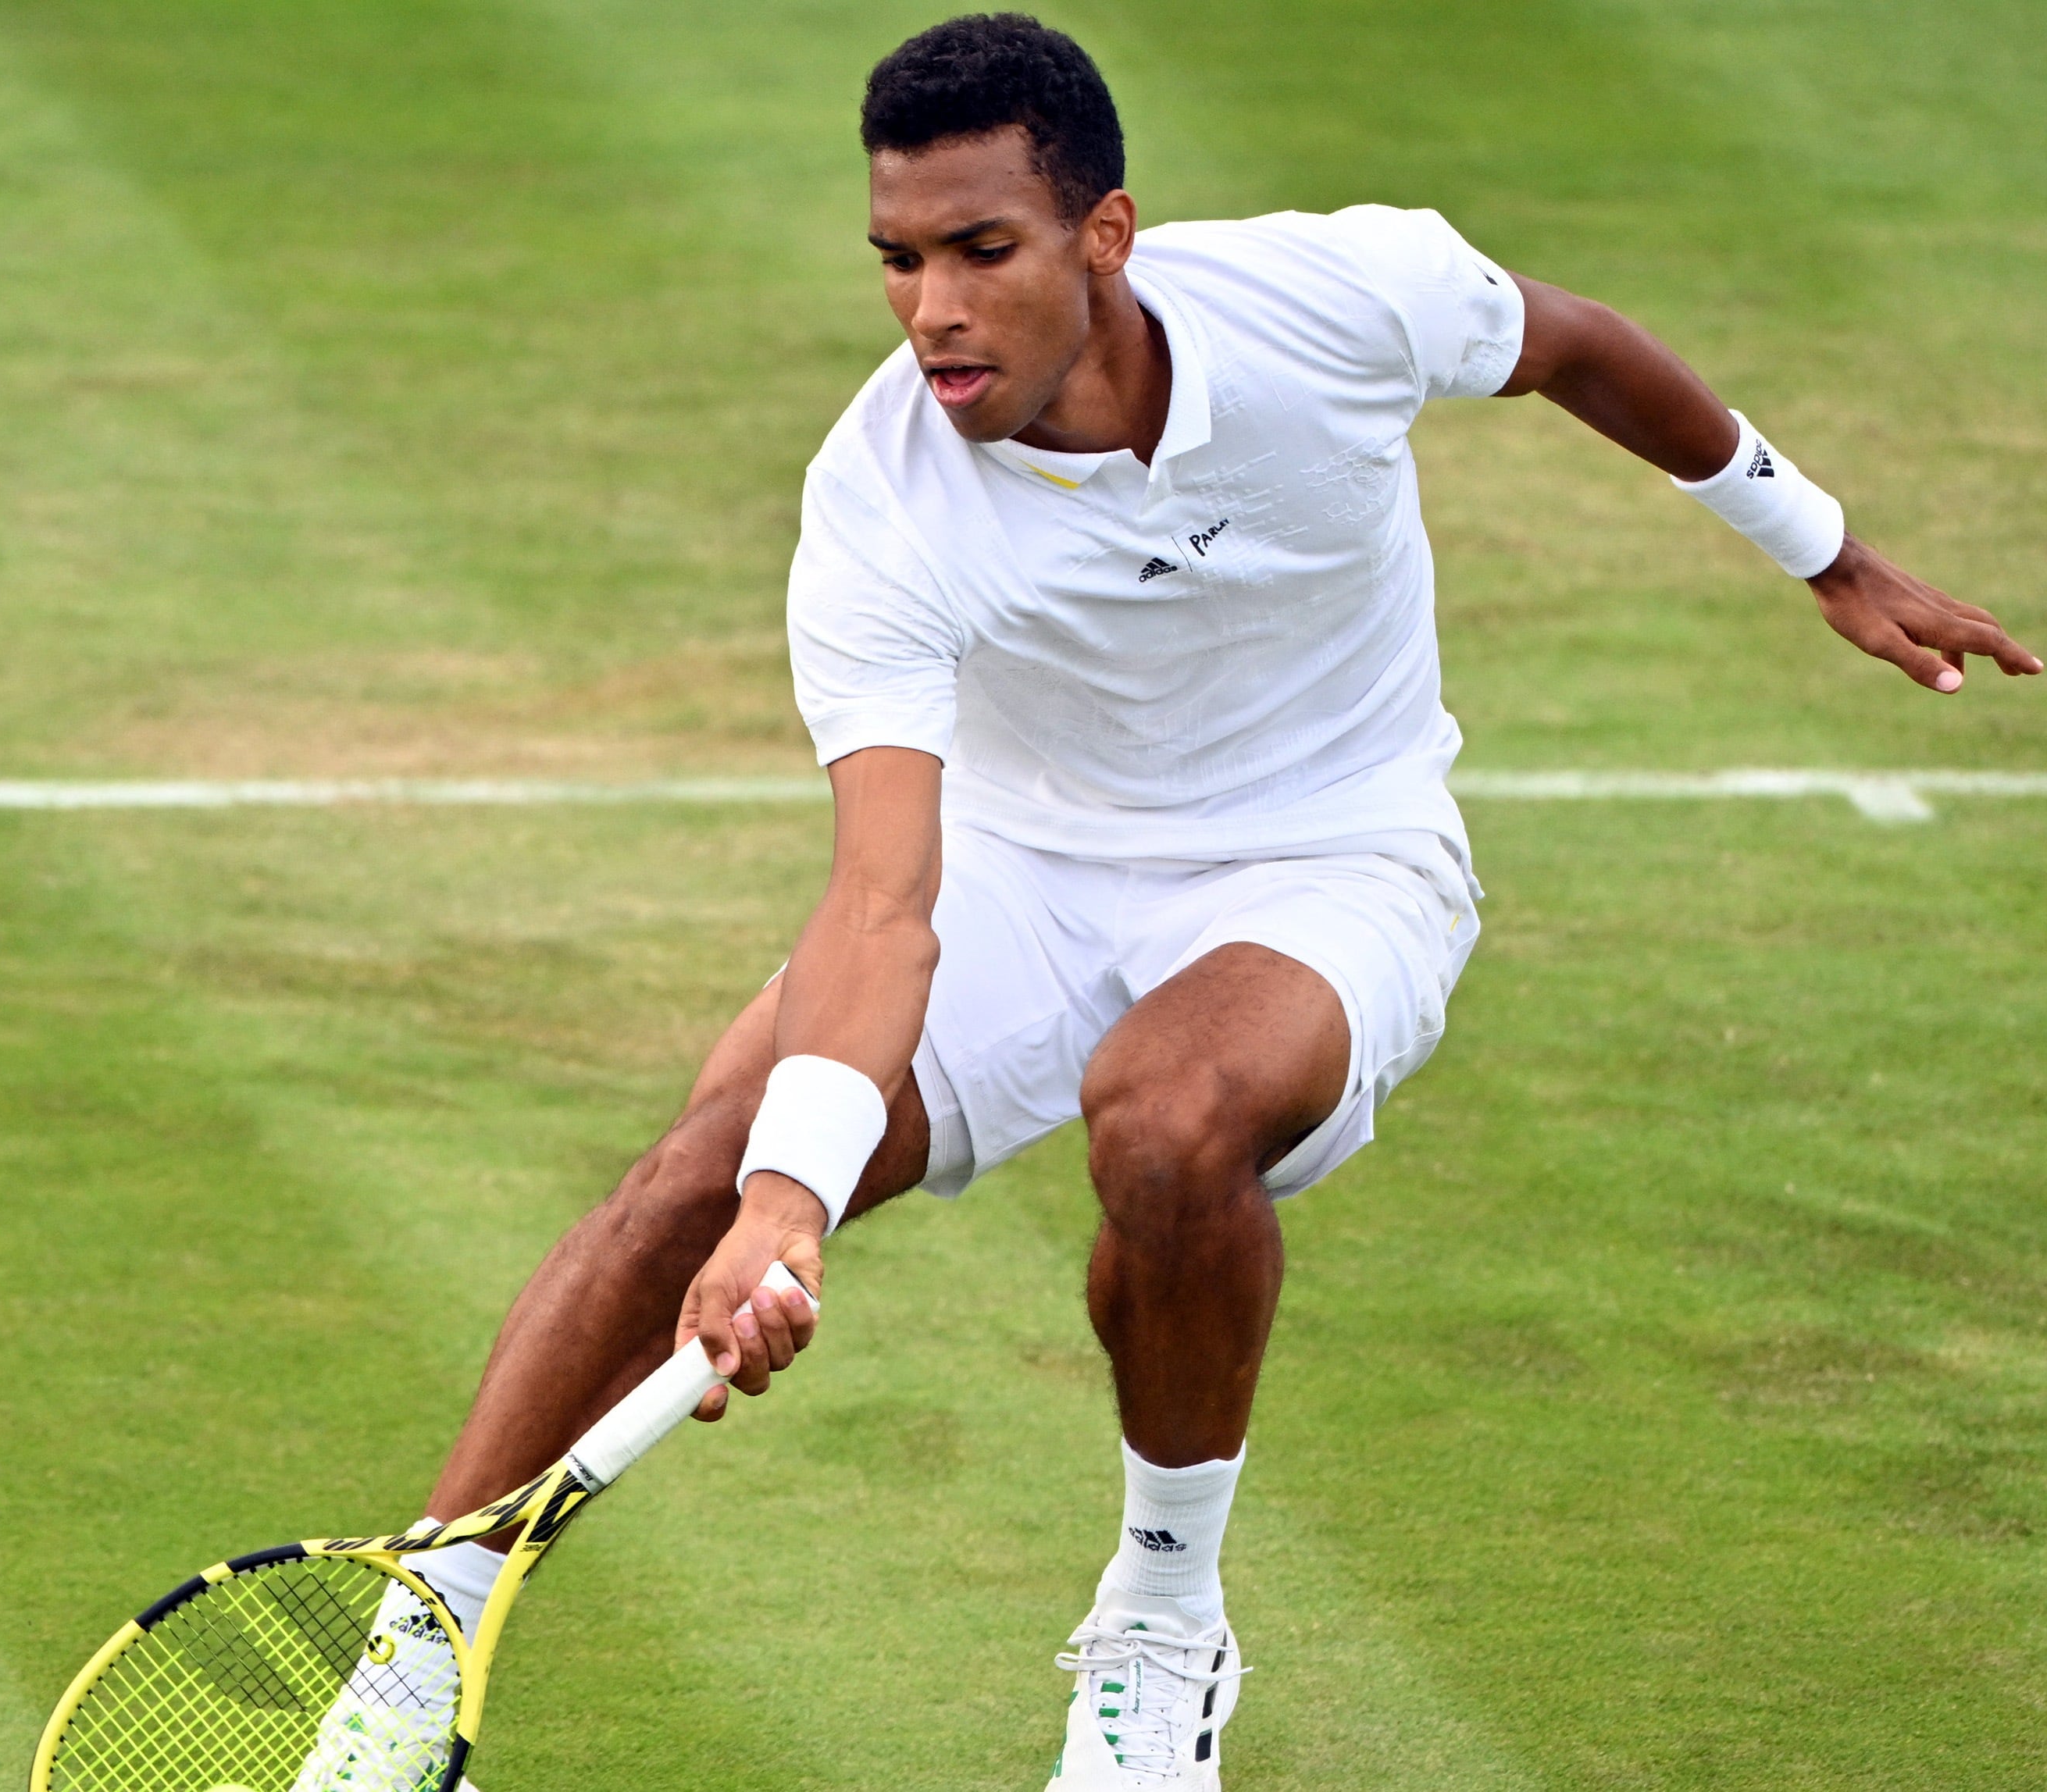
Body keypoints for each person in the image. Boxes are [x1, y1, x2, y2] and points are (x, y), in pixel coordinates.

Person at [379, 13, 2037, 1789]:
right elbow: (882, 899)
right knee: (699, 1171)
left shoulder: (1337, 300)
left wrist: (1828, 549)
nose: (930, 306)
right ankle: (412, 1654)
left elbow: (1574, 347)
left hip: (1332, 855)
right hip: (1027, 865)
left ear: (1106, 236)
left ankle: (1164, 1620)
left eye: (979, 251)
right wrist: (785, 1199)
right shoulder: (880, 503)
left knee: (1165, 1121)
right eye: (897, 259)